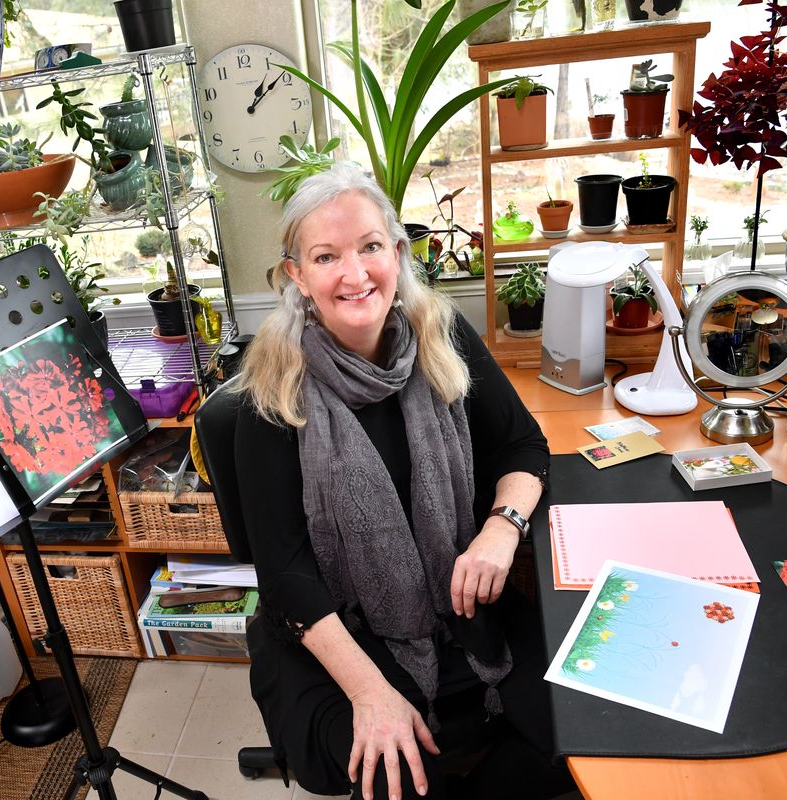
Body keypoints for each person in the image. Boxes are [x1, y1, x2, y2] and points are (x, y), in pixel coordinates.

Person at [230, 164, 570, 800]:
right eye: (326, 256)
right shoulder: (270, 395)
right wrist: (370, 693)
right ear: (297, 275)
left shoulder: (442, 337)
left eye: (370, 247)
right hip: (334, 640)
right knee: (398, 775)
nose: (356, 275)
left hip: (462, 611)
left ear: (397, 252)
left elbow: (523, 446)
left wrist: (502, 530)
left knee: (578, 732)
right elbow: (287, 580)